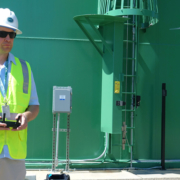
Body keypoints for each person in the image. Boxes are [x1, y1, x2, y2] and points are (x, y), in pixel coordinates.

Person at [0, 8, 39, 180]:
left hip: (15, 154)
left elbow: (34, 105)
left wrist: (26, 116)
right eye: (2, 33)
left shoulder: (24, 68)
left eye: (12, 34)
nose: (7, 38)